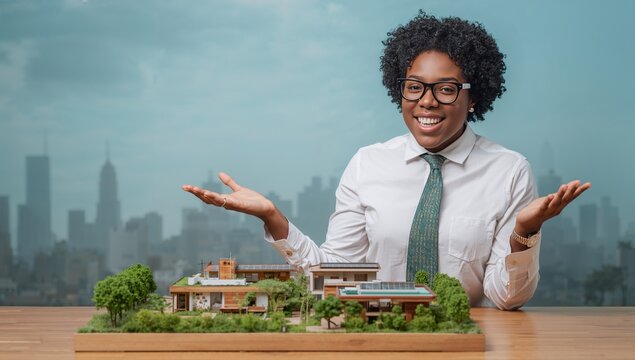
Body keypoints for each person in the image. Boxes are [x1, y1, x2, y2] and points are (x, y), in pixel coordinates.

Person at [182, 12, 590, 310]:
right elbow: (336, 274)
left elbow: (506, 297)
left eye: (446, 89)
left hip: (465, 341)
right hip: (375, 337)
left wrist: (524, 231)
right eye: (414, 87)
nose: (426, 101)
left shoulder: (509, 171)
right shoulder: (367, 164)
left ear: (474, 96)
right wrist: (275, 219)